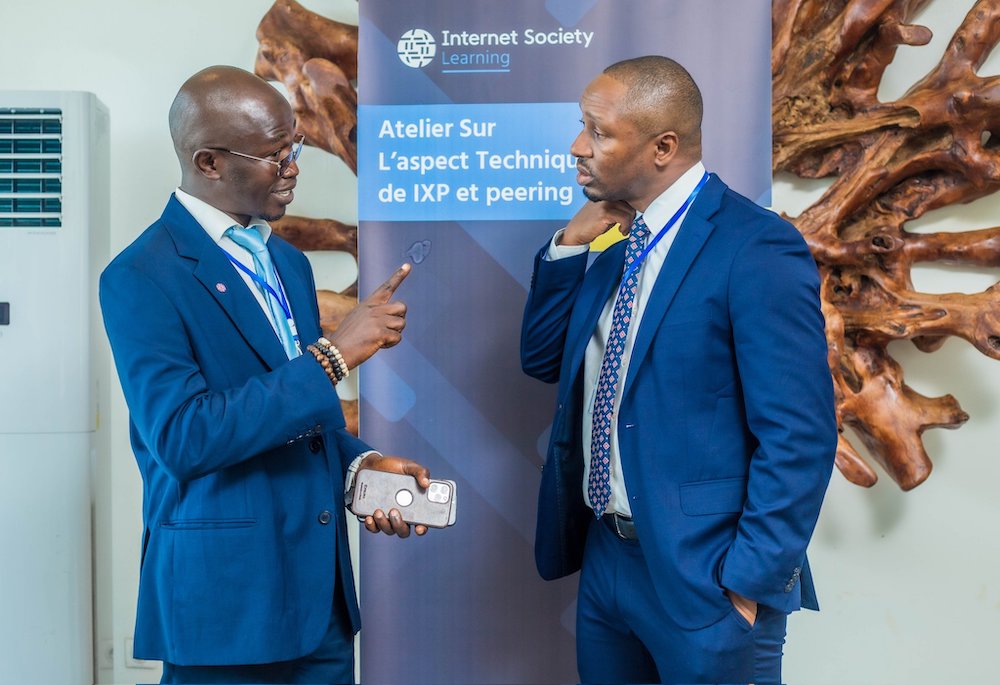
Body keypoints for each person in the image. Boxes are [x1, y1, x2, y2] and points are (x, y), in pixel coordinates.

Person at [100, 65, 430, 685]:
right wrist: (333, 358)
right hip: (226, 611)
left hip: (320, 606)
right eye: (275, 155)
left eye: (294, 147)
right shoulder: (140, 277)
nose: (294, 167)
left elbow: (294, 414)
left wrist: (361, 464)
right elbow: (185, 438)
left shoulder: (286, 261)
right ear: (208, 163)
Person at [520, 55, 837, 683]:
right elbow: (542, 360)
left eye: (599, 132)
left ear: (663, 146)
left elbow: (799, 434)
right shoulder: (616, 243)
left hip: (707, 578)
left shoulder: (756, 245)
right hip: (607, 561)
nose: (577, 147)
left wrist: (747, 582)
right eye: (582, 126)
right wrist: (567, 247)